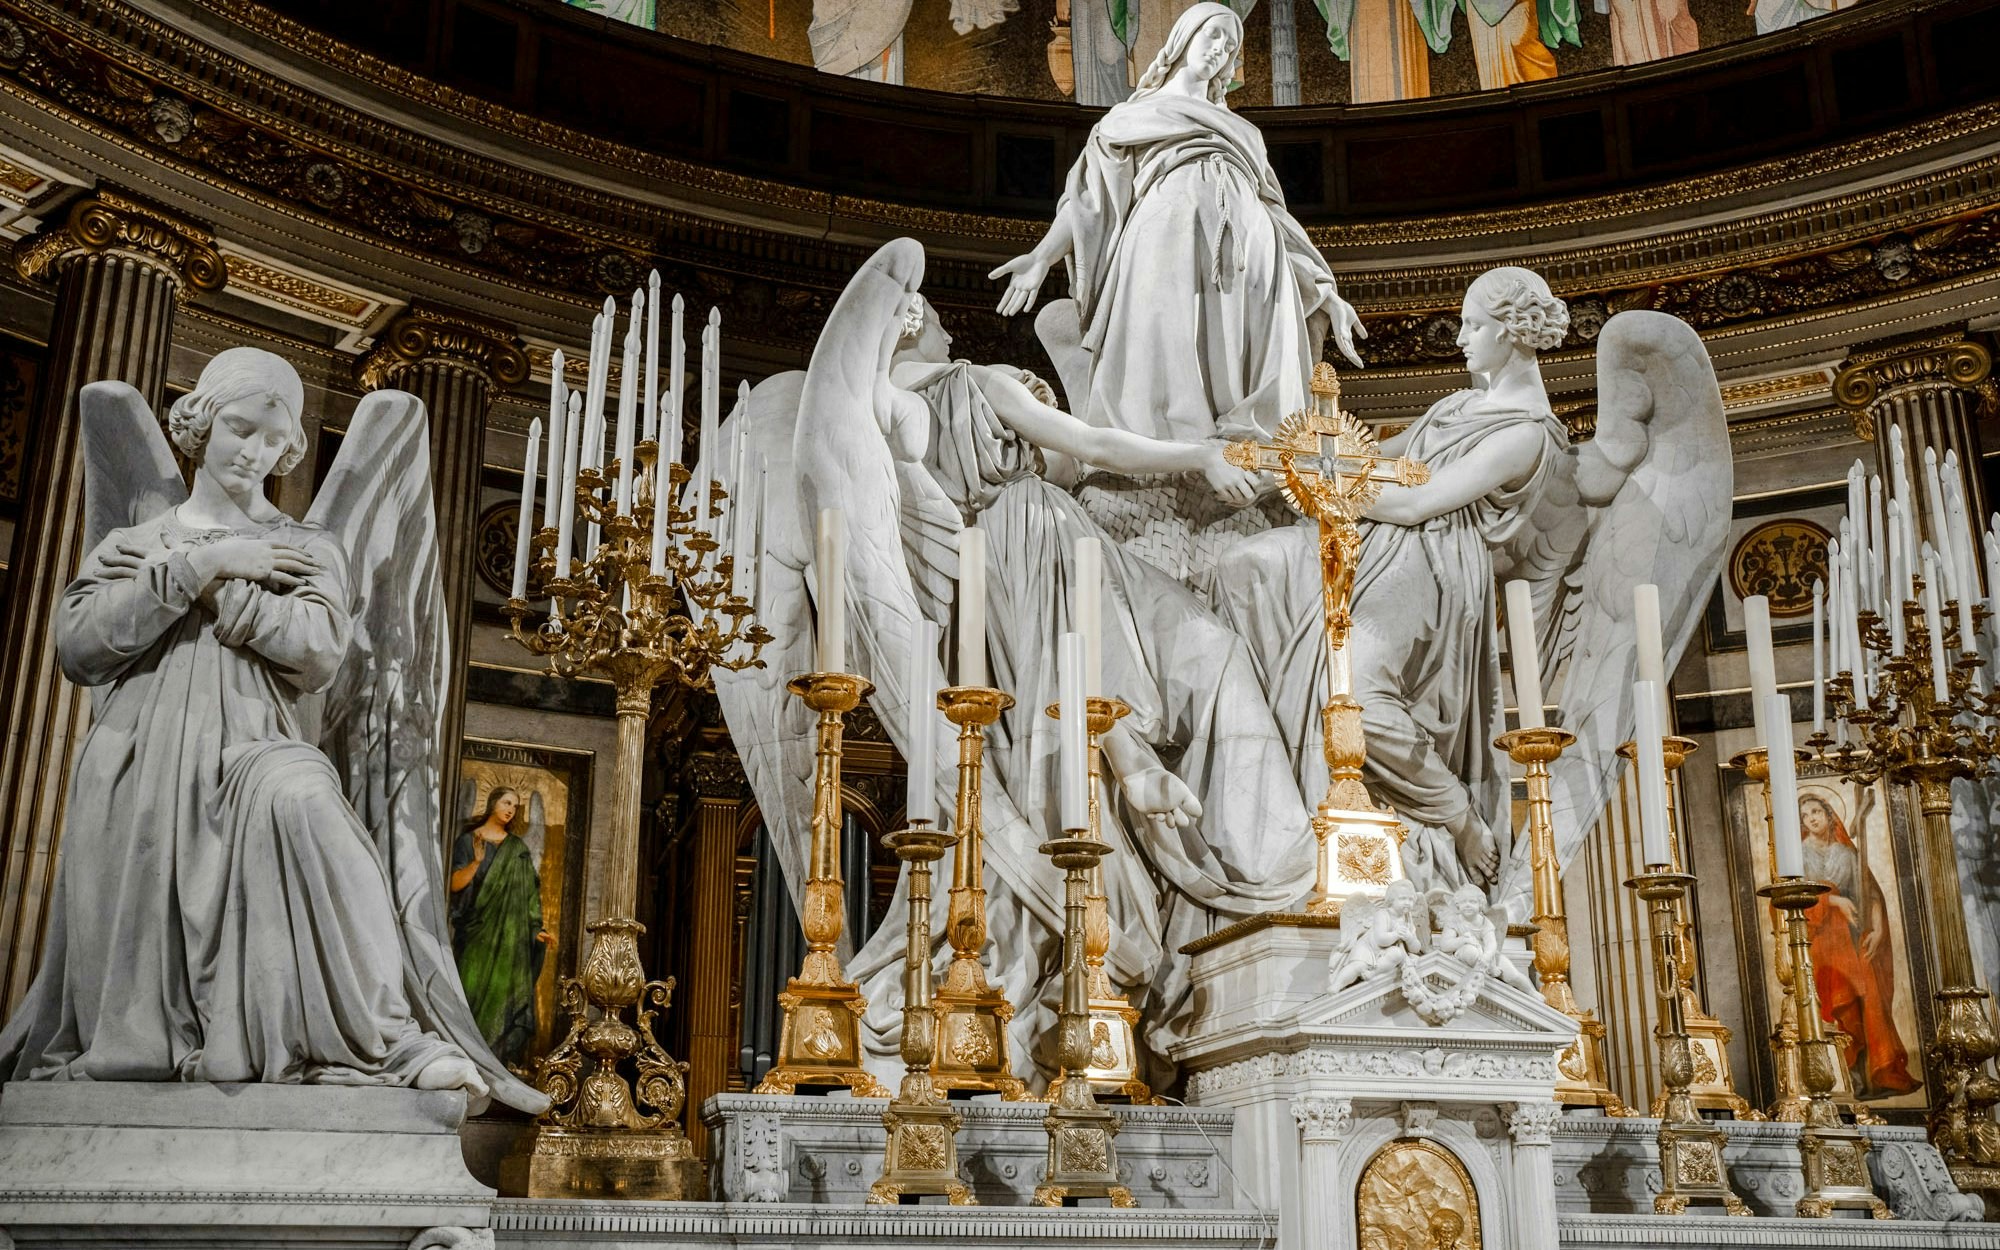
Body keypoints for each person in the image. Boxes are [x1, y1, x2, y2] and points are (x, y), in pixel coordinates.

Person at [0, 349, 512, 1105]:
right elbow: (80, 647)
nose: (256, 452)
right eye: (241, 429)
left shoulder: (309, 548)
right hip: (137, 756)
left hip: (250, 745)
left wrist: (217, 585)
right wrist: (200, 567)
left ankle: (385, 1035)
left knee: (309, 802)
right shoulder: (134, 542)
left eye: (275, 441)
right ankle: (160, 1043)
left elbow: (316, 652)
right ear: (201, 427)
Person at [1215, 267, 1573, 893]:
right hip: (1368, 539)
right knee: (1242, 569)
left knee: (1357, 697)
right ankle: (1285, 795)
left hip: (1430, 564)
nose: (1460, 337)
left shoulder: (1525, 435)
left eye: (1473, 325)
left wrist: (1322, 487)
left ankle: (1456, 815)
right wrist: (1278, 463)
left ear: (1512, 333)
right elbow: (1380, 458)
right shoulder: (1460, 404)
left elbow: (1419, 499)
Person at [990, 1, 1365, 446]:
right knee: (1168, 363)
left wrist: (1324, 290)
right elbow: (1089, 199)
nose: (1221, 49)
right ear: (1183, 37)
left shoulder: (1244, 132)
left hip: (1252, 265)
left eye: (1231, 45)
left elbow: (1278, 218)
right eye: (1214, 35)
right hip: (1165, 246)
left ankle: (1248, 450)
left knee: (1243, 366)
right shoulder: (1131, 117)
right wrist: (1041, 256)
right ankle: (1168, 460)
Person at [1798, 789, 1918, 1096]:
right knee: (1842, 1002)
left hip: (1854, 937)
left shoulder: (1847, 854)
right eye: (1805, 815)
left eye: (1816, 812)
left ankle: (1873, 1068)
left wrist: (1878, 929)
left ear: (1829, 814)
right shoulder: (1799, 855)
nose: (1811, 819)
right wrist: (1833, 901)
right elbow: (1793, 903)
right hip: (1824, 944)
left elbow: (1871, 893)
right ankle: (1845, 1071)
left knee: (1869, 996)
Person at [450, 787, 556, 1071]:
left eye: (515, 807)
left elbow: (529, 896)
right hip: (476, 935)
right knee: (468, 992)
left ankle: (495, 1065)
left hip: (510, 943)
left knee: (505, 1001)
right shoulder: (468, 841)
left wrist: (536, 928)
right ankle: (465, 1061)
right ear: (493, 803)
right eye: (507, 803)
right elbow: (454, 885)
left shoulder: (518, 850)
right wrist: (476, 862)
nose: (510, 810)